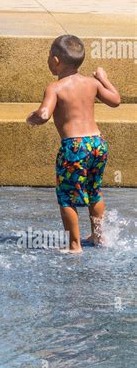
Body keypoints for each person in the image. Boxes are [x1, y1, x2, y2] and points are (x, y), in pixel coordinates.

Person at [26, 34, 120, 254]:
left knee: (67, 197)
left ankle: (74, 245)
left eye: (50, 56)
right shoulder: (92, 82)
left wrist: (33, 117)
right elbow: (115, 100)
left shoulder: (55, 87)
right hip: (97, 143)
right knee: (93, 191)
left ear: (56, 61)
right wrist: (104, 78)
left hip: (74, 147)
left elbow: (44, 113)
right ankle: (98, 236)